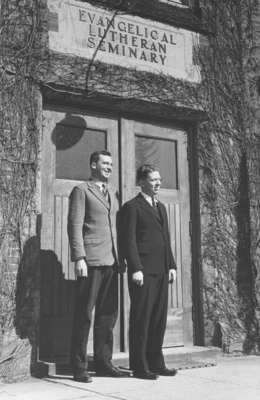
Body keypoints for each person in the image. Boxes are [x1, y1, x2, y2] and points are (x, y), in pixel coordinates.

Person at [68, 150, 127, 383]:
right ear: (93, 165)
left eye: (111, 164)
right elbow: (74, 226)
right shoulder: (81, 190)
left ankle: (104, 363)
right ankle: (79, 367)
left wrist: (121, 258)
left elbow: (116, 229)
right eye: (104, 163)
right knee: (84, 315)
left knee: (107, 316)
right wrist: (79, 257)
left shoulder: (113, 192)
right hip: (90, 261)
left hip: (112, 262)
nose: (109, 167)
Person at [120, 164, 178, 380]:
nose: (158, 183)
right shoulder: (132, 207)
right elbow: (129, 241)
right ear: (142, 182)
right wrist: (136, 268)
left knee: (158, 319)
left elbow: (166, 238)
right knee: (141, 319)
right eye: (153, 180)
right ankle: (140, 366)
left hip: (162, 270)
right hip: (143, 272)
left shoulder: (161, 207)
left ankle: (156, 362)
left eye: (159, 179)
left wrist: (171, 265)